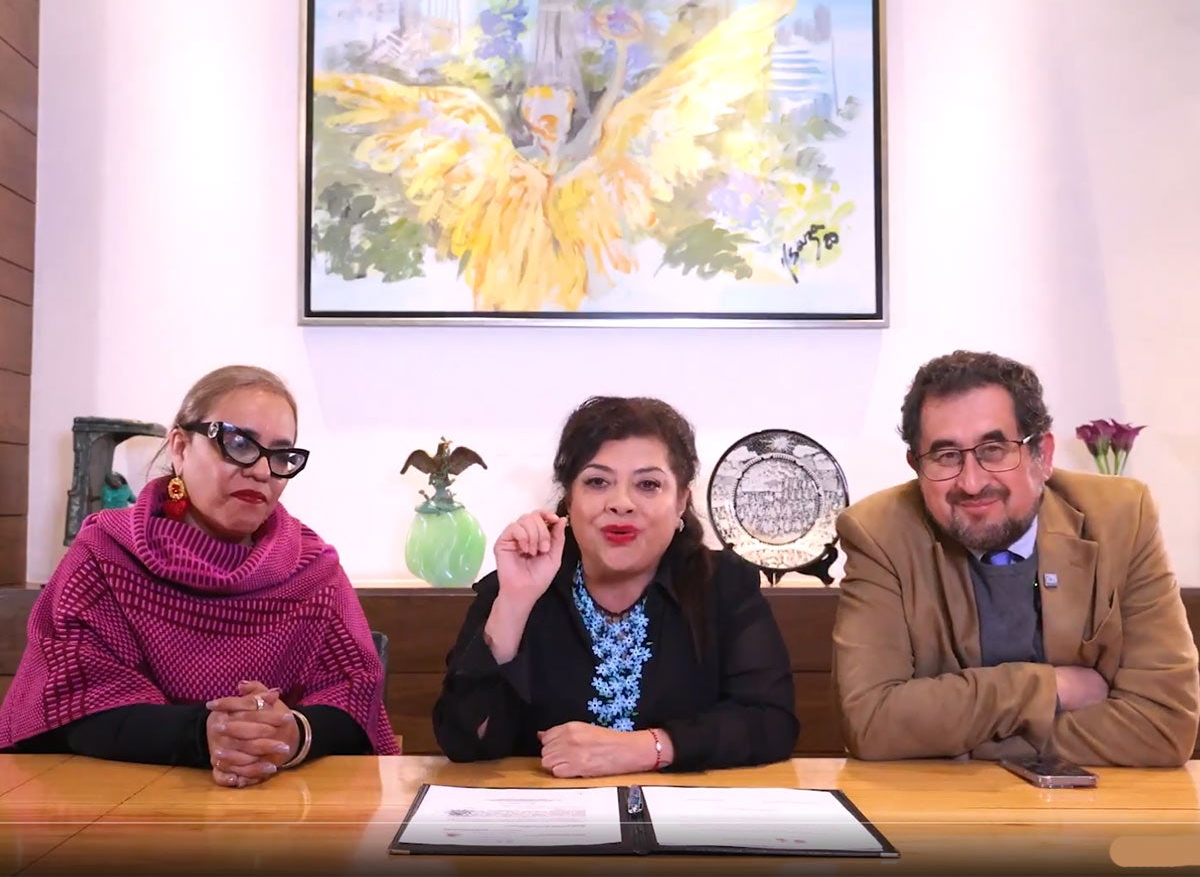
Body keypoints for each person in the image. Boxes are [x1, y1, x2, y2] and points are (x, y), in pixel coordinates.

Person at [0, 365, 399, 786]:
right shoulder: (104, 554)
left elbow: (356, 700)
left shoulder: (313, 571)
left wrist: (292, 733)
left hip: (278, 808)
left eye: (282, 455)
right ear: (180, 447)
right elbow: (65, 704)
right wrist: (202, 734)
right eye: (238, 443)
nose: (263, 471)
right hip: (122, 804)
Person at [833, 350, 1199, 766]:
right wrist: (1047, 688)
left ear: (1043, 456)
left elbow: (1164, 725)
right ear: (916, 467)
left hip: (1099, 803)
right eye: (946, 456)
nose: (972, 483)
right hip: (940, 803)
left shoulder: (1122, 517)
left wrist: (976, 748)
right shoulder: (878, 533)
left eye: (994, 450)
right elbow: (871, 722)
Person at [433, 396, 798, 777]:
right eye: (597, 482)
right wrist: (514, 604)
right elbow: (464, 742)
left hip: (683, 810)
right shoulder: (518, 583)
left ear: (681, 502)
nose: (621, 503)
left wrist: (647, 748)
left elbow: (770, 722)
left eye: (648, 484)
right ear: (569, 499)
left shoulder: (723, 584)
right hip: (548, 808)